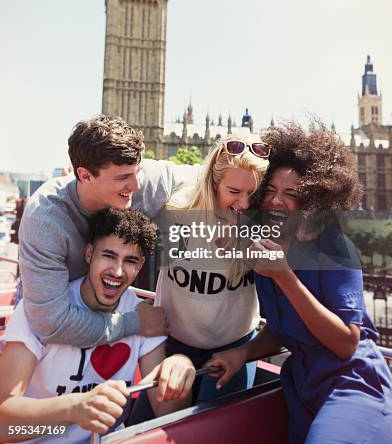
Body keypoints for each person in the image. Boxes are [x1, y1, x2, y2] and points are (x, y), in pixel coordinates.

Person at [206, 123, 392, 444]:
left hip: (354, 390)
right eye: (269, 190)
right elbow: (286, 326)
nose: (276, 202)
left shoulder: (332, 246)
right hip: (302, 394)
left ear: (313, 200)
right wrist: (242, 354)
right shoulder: (264, 250)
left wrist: (284, 276)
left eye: (291, 194)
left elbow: (346, 343)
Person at [0, 208, 196, 443]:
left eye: (130, 260)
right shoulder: (41, 309)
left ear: (141, 265)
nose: (118, 271)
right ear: (89, 253)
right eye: (109, 256)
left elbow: (169, 413)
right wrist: (73, 410)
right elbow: (4, 428)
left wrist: (178, 368)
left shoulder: (141, 312)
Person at [18, 115, 200, 348]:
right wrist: (132, 323)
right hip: (49, 338)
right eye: (123, 178)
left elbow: (212, 174)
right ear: (84, 175)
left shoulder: (142, 180)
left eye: (138, 171)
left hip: (109, 314)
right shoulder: (45, 218)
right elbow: (51, 323)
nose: (135, 186)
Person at [155, 135, 269, 403]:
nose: (244, 203)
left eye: (252, 193)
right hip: (173, 347)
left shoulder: (261, 225)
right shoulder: (175, 210)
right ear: (214, 183)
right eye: (234, 192)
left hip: (233, 349)